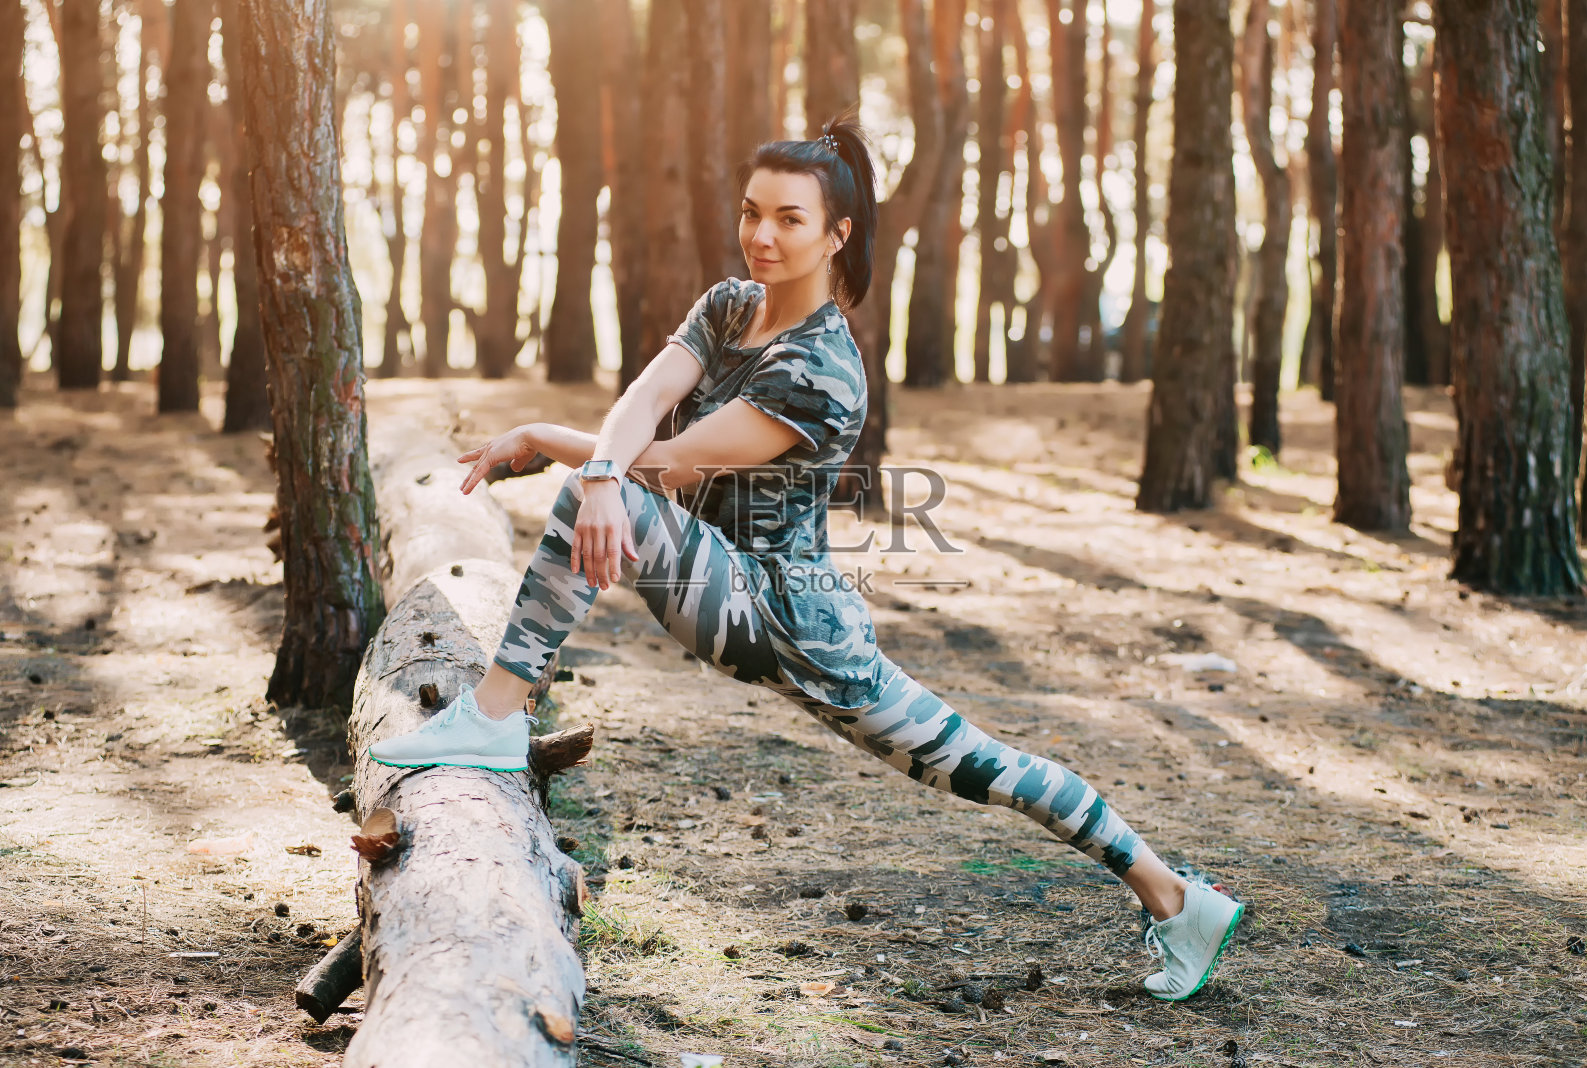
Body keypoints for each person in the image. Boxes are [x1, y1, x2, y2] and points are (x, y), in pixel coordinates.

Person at [367, 111, 1244, 1002]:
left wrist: (554, 446)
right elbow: (643, 400)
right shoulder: (729, 306)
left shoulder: (821, 368)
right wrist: (590, 463)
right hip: (725, 582)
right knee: (601, 490)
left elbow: (670, 465)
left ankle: (1173, 896)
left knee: (984, 770)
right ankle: (1177, 901)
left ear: (836, 235)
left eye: (790, 219)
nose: (762, 235)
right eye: (753, 212)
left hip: (788, 620)